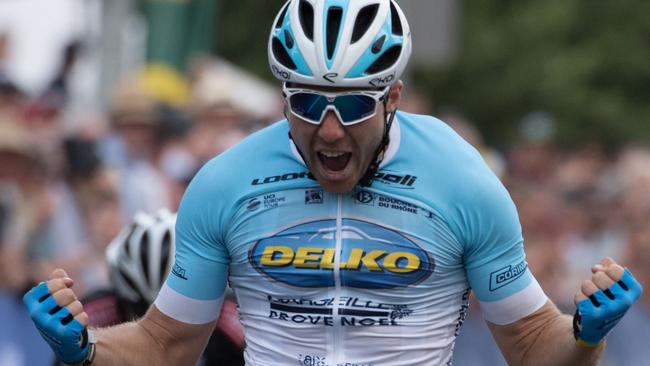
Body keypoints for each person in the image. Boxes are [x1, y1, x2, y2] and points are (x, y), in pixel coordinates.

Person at [24, 1, 643, 365]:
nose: (327, 131)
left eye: (351, 107)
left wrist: (585, 335)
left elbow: (533, 342)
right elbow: (167, 343)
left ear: (393, 96)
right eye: (306, 102)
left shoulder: (461, 179)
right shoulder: (227, 183)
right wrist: (86, 349)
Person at [52, 208, 244, 366]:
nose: (157, 333)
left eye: (175, 313)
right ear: (119, 297)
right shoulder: (95, 310)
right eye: (139, 311)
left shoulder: (228, 315)